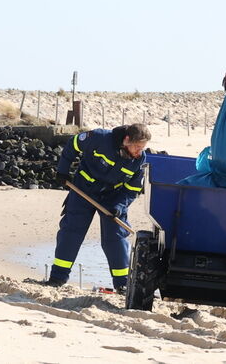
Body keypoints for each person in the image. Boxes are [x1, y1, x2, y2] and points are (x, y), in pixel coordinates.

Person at [46, 123, 150, 289]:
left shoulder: (140, 160)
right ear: (127, 139)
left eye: (142, 148)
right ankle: (57, 278)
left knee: (115, 238)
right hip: (83, 190)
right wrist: (62, 171)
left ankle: (123, 284)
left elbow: (132, 189)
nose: (139, 152)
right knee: (71, 232)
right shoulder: (99, 138)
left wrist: (119, 206)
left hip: (113, 198)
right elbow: (73, 144)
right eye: (137, 147)